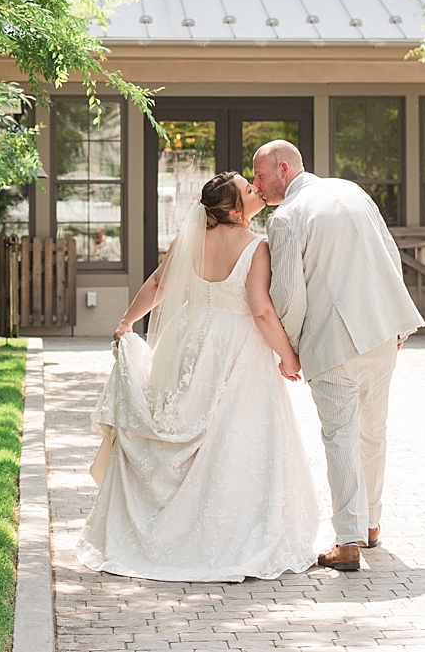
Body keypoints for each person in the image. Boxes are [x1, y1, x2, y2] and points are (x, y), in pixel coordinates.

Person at [75, 172, 321, 581]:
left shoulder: (189, 240)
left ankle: (170, 527)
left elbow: (158, 283)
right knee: (236, 440)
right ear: (233, 208)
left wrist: (126, 321)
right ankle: (227, 531)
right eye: (248, 189)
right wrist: (289, 357)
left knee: (185, 422)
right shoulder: (256, 246)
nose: (256, 190)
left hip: (189, 343)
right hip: (239, 351)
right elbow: (260, 309)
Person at [252, 140, 425, 573]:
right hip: (383, 335)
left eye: (259, 176)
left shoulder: (286, 218)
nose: (255, 184)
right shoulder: (351, 191)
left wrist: (288, 350)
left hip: (331, 345)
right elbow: (390, 254)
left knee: (340, 438)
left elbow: (287, 293)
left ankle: (347, 540)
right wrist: (398, 321)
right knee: (373, 432)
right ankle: (370, 525)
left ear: (284, 169)